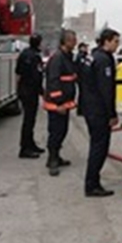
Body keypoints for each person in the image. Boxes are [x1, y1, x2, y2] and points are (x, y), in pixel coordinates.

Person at [83, 28, 120, 197]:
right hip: (99, 111)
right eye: (115, 41)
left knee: (95, 145)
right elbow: (107, 90)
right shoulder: (104, 60)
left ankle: (92, 182)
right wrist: (112, 114)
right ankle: (92, 184)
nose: (117, 45)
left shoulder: (92, 56)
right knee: (99, 148)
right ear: (106, 41)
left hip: (90, 108)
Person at [44, 29, 80, 177]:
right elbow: (53, 81)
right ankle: (52, 159)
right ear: (65, 41)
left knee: (62, 130)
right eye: (72, 39)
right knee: (56, 131)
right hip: (57, 104)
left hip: (64, 102)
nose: (75, 42)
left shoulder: (68, 57)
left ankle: (56, 156)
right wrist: (58, 103)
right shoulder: (58, 58)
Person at [16, 34, 45, 159]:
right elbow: (37, 77)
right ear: (39, 43)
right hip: (31, 92)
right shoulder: (35, 56)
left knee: (28, 120)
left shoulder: (24, 54)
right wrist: (42, 92)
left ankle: (30, 144)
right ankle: (25, 148)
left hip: (23, 89)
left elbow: (18, 71)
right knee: (29, 120)